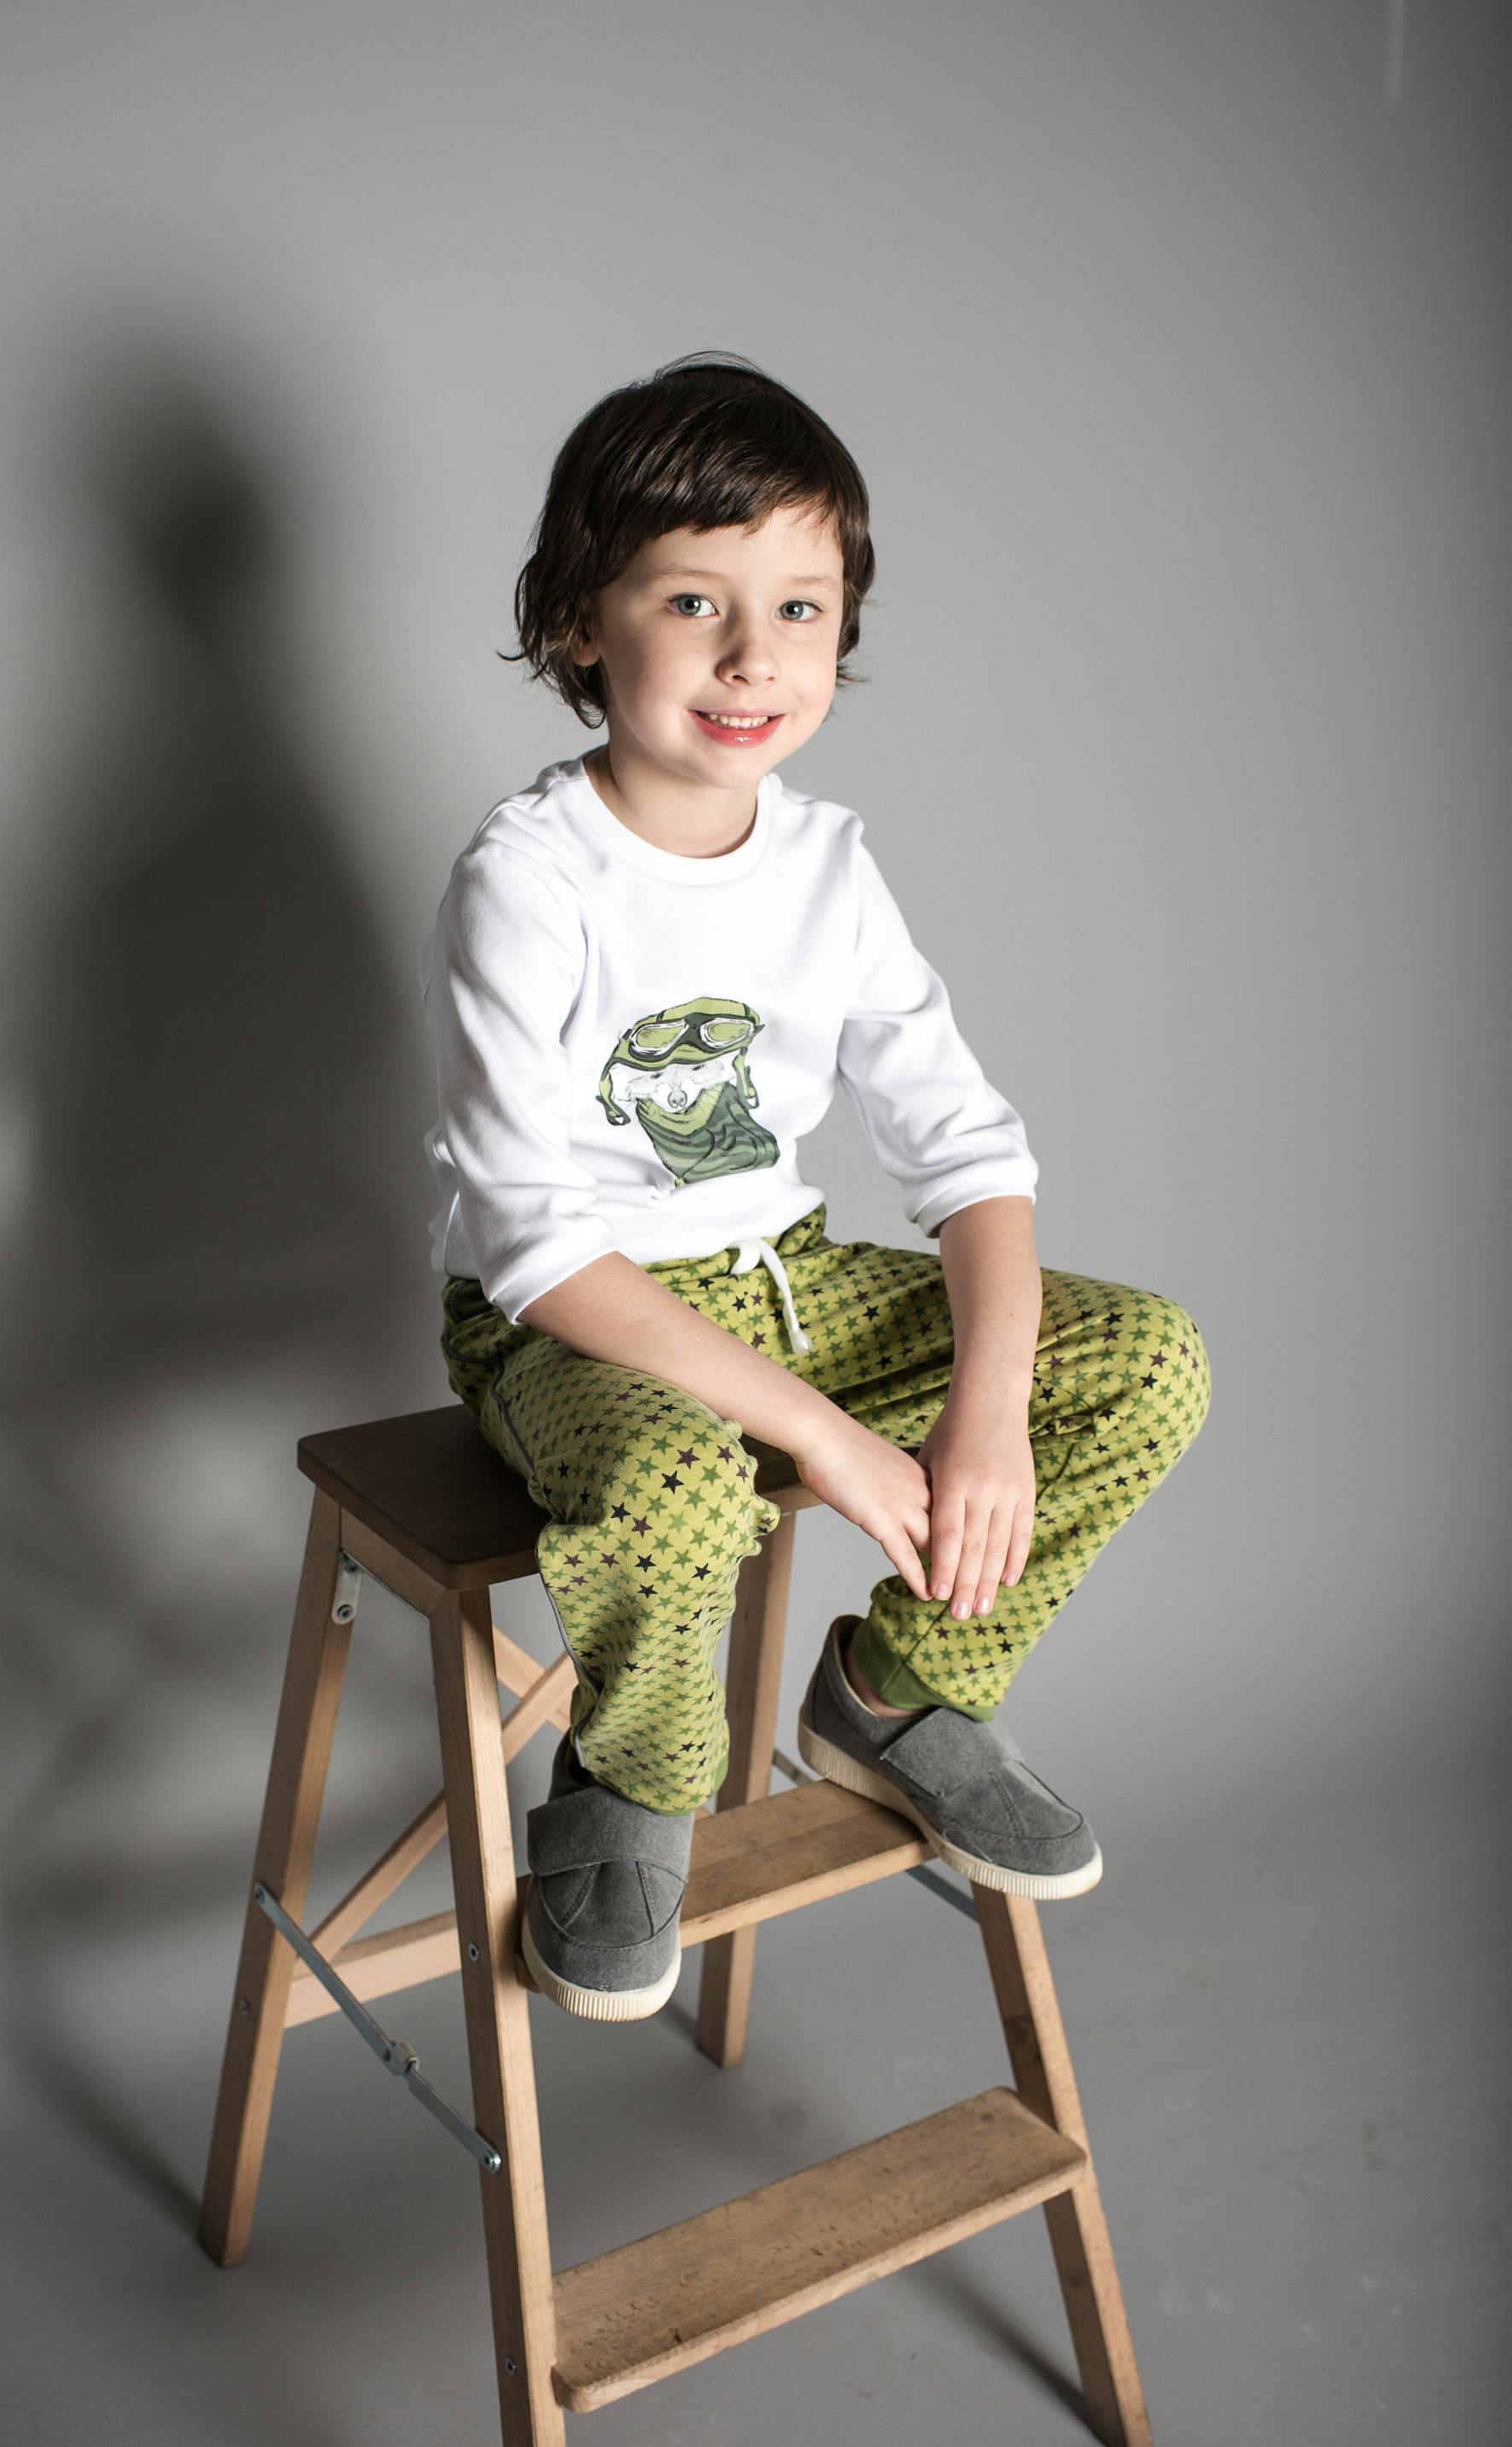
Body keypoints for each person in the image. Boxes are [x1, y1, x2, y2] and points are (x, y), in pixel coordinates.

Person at [420, 351, 1212, 2023]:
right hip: (567, 1323)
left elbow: (971, 1155)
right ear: (582, 620)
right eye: (694, 600)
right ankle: (630, 1784)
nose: (751, 655)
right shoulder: (530, 879)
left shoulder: (829, 867)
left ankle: (904, 1693)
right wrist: (837, 1441)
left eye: (799, 605)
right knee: (692, 1491)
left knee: (1145, 1358)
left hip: (781, 1271)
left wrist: (982, 1414)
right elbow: (538, 1242)